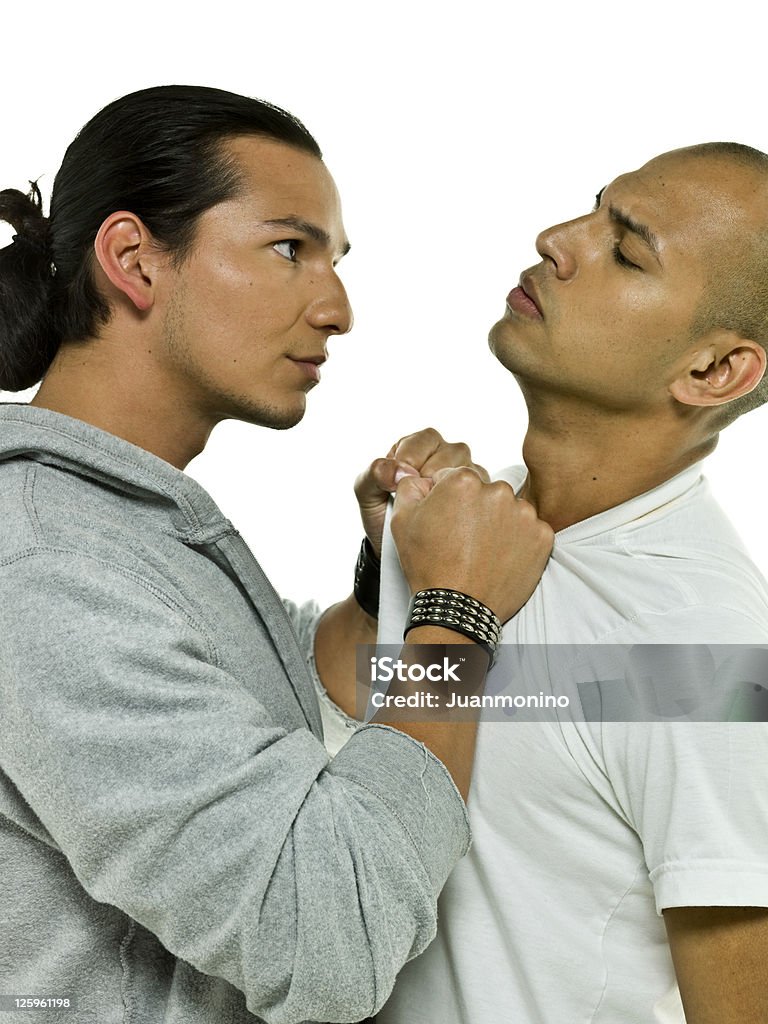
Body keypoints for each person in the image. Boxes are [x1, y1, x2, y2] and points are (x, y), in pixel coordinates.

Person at [0, 85, 554, 1024]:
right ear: (134, 258)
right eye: (289, 248)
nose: (336, 308)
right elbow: (325, 938)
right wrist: (455, 616)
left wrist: (391, 586)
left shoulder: (114, 522)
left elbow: (248, 697)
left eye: (333, 259)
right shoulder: (48, 561)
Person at [315, 143, 768, 1023]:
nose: (557, 239)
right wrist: (392, 572)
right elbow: (352, 714)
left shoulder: (702, 652)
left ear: (714, 371)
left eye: (627, 250)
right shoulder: (477, 552)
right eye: (592, 207)